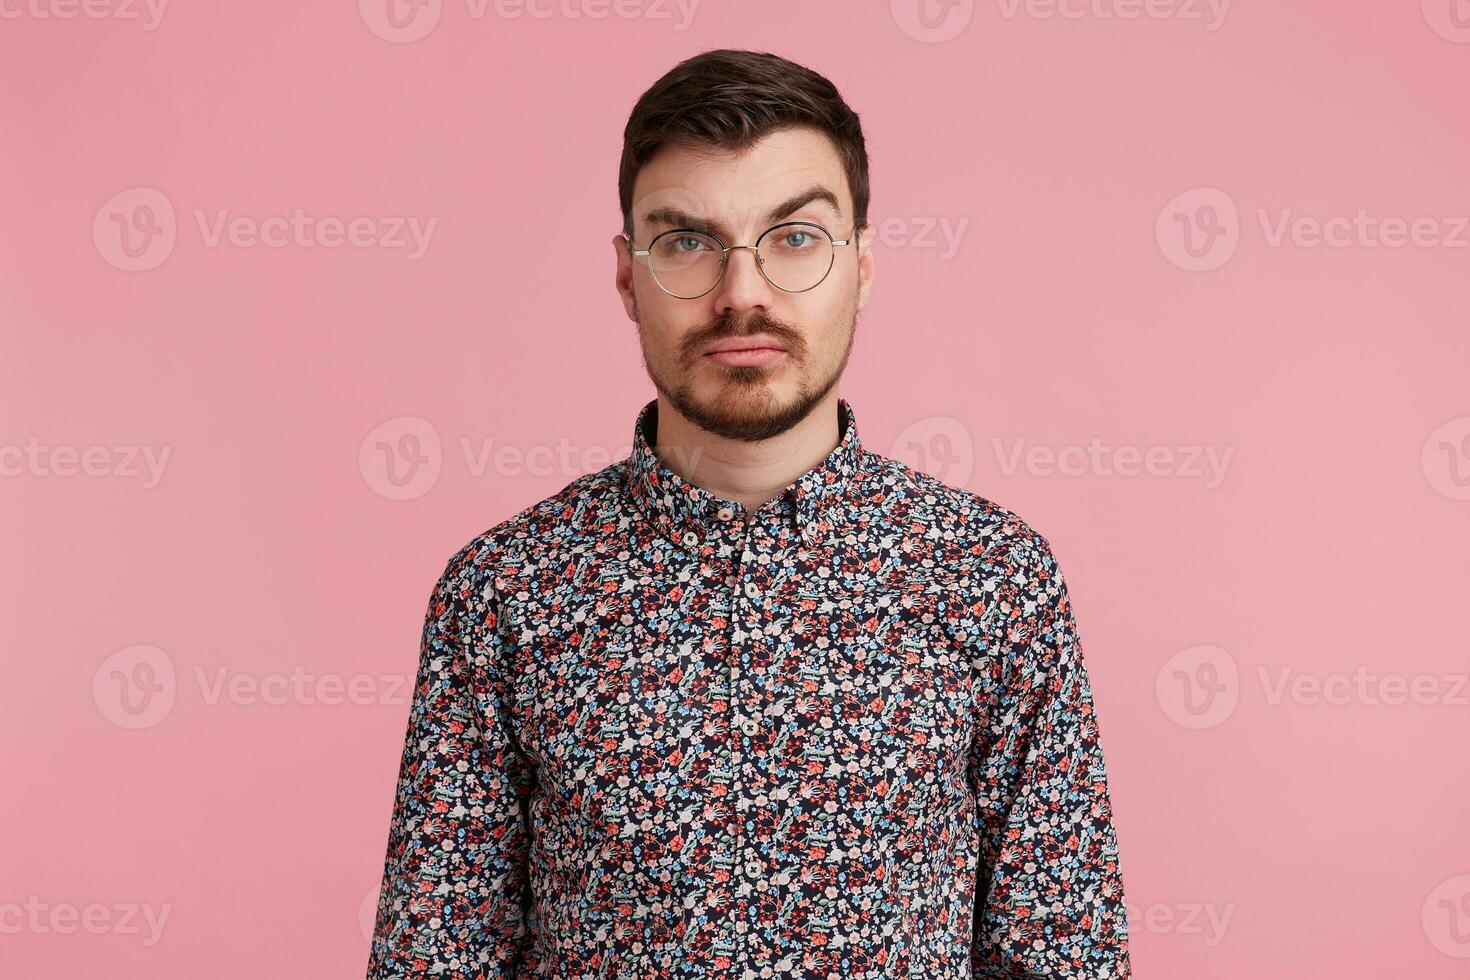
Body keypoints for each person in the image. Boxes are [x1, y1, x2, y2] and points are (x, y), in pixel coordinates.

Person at [366, 47, 1131, 980]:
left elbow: (1064, 957)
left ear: (864, 266)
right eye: (687, 241)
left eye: (795, 237)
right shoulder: (502, 594)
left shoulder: (991, 577)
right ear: (625, 276)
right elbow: (434, 959)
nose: (743, 293)